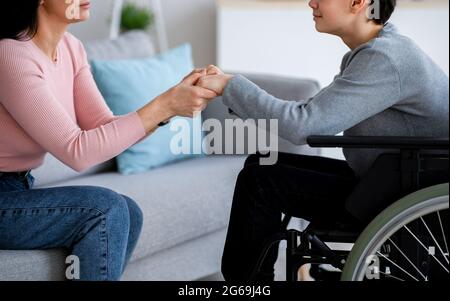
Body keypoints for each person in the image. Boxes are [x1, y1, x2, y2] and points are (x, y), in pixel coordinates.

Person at [197, 0, 449, 281]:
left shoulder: (384, 58)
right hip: (394, 181)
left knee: (260, 181)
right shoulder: (379, 51)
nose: (311, 2)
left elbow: (303, 125)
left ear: (358, 3)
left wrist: (231, 86)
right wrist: (229, 89)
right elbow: (311, 114)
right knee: (261, 164)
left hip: (400, 196)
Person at [0, 0, 217, 280]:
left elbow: (105, 126)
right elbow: (76, 150)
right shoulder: (11, 55)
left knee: (130, 212)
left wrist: (170, 103)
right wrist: (165, 105)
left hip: (20, 187)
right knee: (105, 209)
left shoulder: (71, 48)